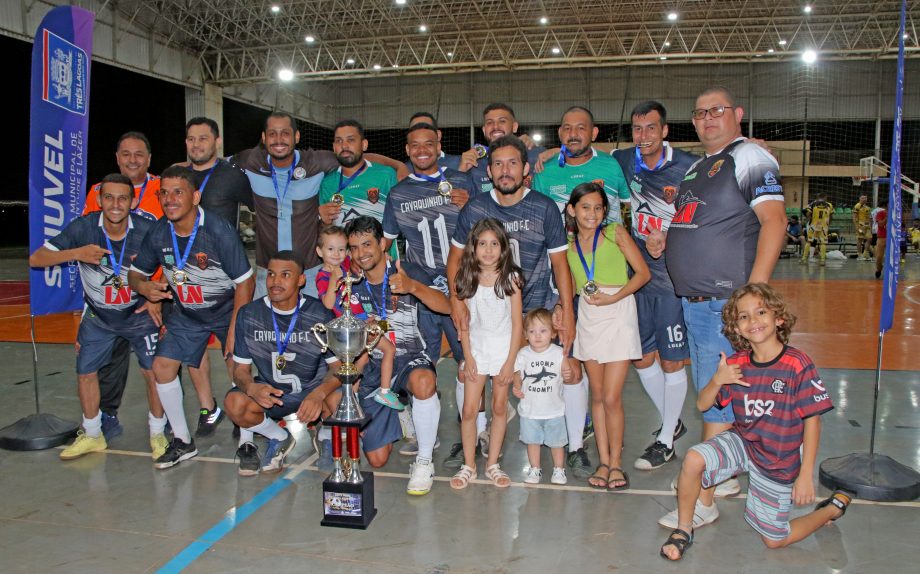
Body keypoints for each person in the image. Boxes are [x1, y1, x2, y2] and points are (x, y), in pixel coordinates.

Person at [654, 86, 787, 529]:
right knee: (719, 396)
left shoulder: (748, 156)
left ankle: (704, 499)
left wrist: (756, 296)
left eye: (718, 111)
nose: (708, 118)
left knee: (715, 402)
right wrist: (667, 240)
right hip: (697, 304)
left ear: (737, 114)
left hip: (723, 303)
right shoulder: (696, 168)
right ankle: (725, 474)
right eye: (700, 113)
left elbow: (774, 221)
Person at [659, 283, 851, 561]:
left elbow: (813, 420)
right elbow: (703, 405)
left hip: (779, 456)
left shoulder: (797, 364)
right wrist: (718, 379)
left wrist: (806, 475)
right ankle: (684, 529)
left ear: (778, 318)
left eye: (761, 312)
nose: (753, 321)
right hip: (745, 442)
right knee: (693, 459)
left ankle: (831, 509)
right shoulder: (736, 364)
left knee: (775, 540)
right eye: (744, 316)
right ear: (735, 328)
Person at [447, 135, 582, 475]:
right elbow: (455, 259)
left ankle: (573, 445)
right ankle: (475, 444)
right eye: (497, 164)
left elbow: (561, 264)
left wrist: (566, 310)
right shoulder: (476, 207)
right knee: (478, 386)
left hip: (533, 313)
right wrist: (456, 300)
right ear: (488, 170)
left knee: (557, 378)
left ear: (525, 168)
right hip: (484, 316)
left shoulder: (544, 207)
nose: (504, 171)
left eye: (511, 164)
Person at [29, 174, 167, 460]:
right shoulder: (84, 227)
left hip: (137, 312)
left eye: (122, 198)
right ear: (100, 200)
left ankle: (158, 433)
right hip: (98, 315)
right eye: (109, 197)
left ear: (132, 201)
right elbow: (37, 258)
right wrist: (77, 252)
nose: (115, 204)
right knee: (85, 373)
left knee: (154, 373)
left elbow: (174, 259)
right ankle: (93, 435)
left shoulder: (147, 229)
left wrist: (157, 299)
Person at [128, 166, 255, 469]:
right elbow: (135, 274)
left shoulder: (218, 230)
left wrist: (236, 328)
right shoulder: (159, 232)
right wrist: (144, 286)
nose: (169, 199)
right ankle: (183, 442)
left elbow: (246, 282)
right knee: (162, 367)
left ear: (195, 197)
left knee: (239, 371)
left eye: (178, 192)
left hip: (226, 309)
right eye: (164, 193)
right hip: (187, 314)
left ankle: (248, 442)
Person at [532, 106, 631, 471]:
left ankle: (589, 444)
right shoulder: (546, 170)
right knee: (570, 361)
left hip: (607, 287)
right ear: (559, 132)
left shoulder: (611, 168)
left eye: (581, 128)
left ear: (594, 131)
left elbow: (624, 214)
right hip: (563, 275)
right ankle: (576, 438)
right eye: (567, 128)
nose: (574, 134)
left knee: (603, 382)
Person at [231, 111, 405, 300]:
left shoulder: (316, 162)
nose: (278, 139)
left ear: (296, 137)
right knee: (265, 326)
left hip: (310, 269)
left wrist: (400, 166)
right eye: (272, 134)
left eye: (285, 133)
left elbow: (352, 157)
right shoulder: (250, 161)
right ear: (263, 138)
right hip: (269, 270)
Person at [382, 122, 476, 458]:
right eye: (415, 145)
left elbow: (488, 226)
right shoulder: (398, 194)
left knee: (469, 363)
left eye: (429, 143)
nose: (422, 150)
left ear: (439, 147)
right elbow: (386, 243)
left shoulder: (463, 182)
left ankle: (474, 435)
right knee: (425, 362)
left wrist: (470, 206)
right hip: (419, 292)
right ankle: (427, 435)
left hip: (462, 288)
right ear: (407, 151)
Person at [611, 101, 695, 471]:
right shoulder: (626, 159)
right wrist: (548, 152)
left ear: (665, 131)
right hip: (637, 277)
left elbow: (701, 215)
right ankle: (672, 421)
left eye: (650, 128)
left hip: (672, 280)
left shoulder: (689, 166)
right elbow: (589, 152)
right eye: (637, 129)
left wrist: (670, 235)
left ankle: (664, 441)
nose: (643, 136)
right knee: (641, 356)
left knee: (672, 359)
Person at [341, 216, 452, 495]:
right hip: (372, 365)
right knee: (377, 460)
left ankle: (424, 461)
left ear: (382, 244)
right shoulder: (352, 283)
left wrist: (413, 287)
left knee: (424, 382)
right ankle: (402, 412)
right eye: (353, 247)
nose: (361, 253)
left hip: (408, 358)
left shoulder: (407, 271)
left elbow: (447, 306)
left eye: (367, 244)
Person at [224, 251, 342, 476]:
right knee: (234, 403)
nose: (275, 282)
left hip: (312, 391)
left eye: (285, 275)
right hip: (274, 395)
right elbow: (240, 370)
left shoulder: (319, 313)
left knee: (340, 398)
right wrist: (252, 387)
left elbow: (338, 368)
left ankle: (326, 435)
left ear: (301, 280)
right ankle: (278, 437)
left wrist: (318, 394)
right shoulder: (249, 314)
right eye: (271, 274)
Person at [565, 182, 650, 489]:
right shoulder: (570, 249)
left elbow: (643, 274)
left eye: (598, 207)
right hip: (590, 316)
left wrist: (614, 298)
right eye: (586, 207)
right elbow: (574, 288)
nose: (593, 213)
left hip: (618, 313)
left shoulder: (615, 233)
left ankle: (616, 464)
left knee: (612, 397)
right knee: (597, 397)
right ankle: (602, 462)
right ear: (572, 209)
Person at [82, 131, 164, 440]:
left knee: (158, 361)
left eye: (139, 154)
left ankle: (164, 419)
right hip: (112, 294)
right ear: (117, 158)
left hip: (154, 291)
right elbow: (90, 238)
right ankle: (107, 415)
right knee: (110, 359)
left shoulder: (161, 189)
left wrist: (154, 294)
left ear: (149, 159)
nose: (133, 159)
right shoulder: (98, 192)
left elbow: (170, 244)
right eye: (126, 154)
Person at [449, 218, 523, 489]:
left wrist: (510, 363)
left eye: (494, 244)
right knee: (469, 409)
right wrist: (468, 357)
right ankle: (468, 464)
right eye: (483, 244)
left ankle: (492, 463)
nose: (489, 250)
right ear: (474, 247)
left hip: (503, 351)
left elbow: (517, 324)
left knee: (499, 407)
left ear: (503, 248)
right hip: (477, 350)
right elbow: (465, 323)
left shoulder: (511, 279)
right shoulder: (466, 277)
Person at [512, 309, 569, 485]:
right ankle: (535, 468)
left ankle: (559, 469)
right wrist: (516, 385)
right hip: (530, 410)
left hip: (554, 409)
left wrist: (568, 372)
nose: (537, 335)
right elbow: (517, 373)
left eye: (543, 330)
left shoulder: (559, 353)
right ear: (526, 335)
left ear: (553, 333)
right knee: (532, 442)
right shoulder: (523, 354)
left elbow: (568, 373)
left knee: (557, 443)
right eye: (532, 331)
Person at [317, 120, 398, 228]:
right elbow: (326, 231)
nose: (344, 146)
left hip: (383, 245)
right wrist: (323, 221)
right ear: (334, 147)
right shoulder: (327, 183)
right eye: (339, 141)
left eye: (351, 140)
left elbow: (400, 219)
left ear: (364, 144)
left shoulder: (386, 175)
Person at [177, 117, 254, 227]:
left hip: (223, 243)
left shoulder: (233, 175)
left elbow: (264, 210)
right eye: (191, 139)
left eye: (203, 139)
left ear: (217, 142)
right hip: (184, 244)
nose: (196, 144)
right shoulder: (178, 177)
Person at [461, 103, 545, 193]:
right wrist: (462, 170)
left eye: (502, 121)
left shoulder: (537, 155)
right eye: (490, 122)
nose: (496, 126)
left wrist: (557, 151)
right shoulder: (473, 163)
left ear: (514, 127)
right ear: (484, 130)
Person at [801, 193, 833, 266]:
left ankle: (804, 259)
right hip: (824, 226)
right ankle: (822, 260)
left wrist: (810, 219)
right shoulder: (829, 205)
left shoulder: (813, 203)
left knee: (809, 241)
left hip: (814, 225)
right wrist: (828, 224)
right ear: (825, 197)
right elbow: (831, 216)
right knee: (823, 243)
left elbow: (807, 213)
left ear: (818, 197)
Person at [853, 194, 873, 260]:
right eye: (863, 198)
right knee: (860, 240)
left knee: (869, 239)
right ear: (860, 199)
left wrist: (870, 225)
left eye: (865, 198)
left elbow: (870, 217)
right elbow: (854, 217)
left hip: (867, 226)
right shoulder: (857, 206)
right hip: (860, 226)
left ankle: (865, 254)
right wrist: (856, 226)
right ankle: (859, 254)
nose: (864, 199)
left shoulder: (868, 208)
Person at [875, 201, 888, 279]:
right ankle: (879, 269)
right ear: (886, 205)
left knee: (893, 257)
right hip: (882, 237)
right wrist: (887, 217)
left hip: (892, 237)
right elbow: (881, 224)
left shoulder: (897, 214)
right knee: (879, 257)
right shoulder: (880, 213)